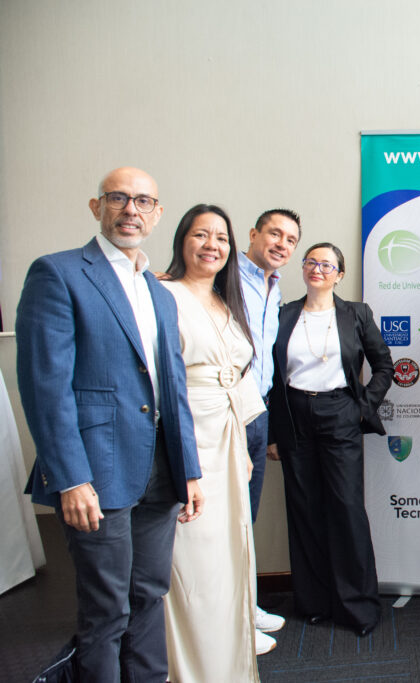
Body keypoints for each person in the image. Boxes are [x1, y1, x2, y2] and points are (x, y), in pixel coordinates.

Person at [16, 167, 204, 681]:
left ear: (157, 214)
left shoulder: (160, 293)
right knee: (106, 609)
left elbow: (173, 388)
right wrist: (71, 478)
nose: (131, 210)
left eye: (143, 201)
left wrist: (188, 469)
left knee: (149, 596)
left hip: (160, 472)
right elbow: (45, 387)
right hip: (96, 472)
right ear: (96, 207)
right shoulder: (58, 273)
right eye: (118, 198)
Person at [160, 204, 270, 679]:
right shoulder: (163, 295)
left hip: (229, 440)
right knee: (194, 561)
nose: (212, 245)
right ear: (182, 240)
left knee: (231, 553)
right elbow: (160, 384)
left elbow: (238, 376)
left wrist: (242, 448)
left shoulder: (227, 302)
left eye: (221, 238)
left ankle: (228, 662)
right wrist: (183, 463)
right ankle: (189, 667)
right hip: (189, 440)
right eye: (201, 235)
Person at [267, 242, 393, 635]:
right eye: (311, 262)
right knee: (304, 509)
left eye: (326, 264)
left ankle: (358, 607)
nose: (317, 269)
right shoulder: (282, 314)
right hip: (294, 416)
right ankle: (314, 603)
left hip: (340, 412)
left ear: (340, 274)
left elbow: (384, 365)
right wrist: (273, 432)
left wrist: (362, 407)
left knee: (346, 508)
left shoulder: (356, 313)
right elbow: (269, 377)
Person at [239, 208, 301, 635]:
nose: (282, 244)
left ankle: (244, 605)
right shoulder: (224, 276)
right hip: (225, 414)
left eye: (290, 239)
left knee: (246, 518)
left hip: (256, 413)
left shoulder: (272, 288)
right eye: (275, 234)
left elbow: (271, 369)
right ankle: (229, 617)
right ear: (253, 234)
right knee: (220, 520)